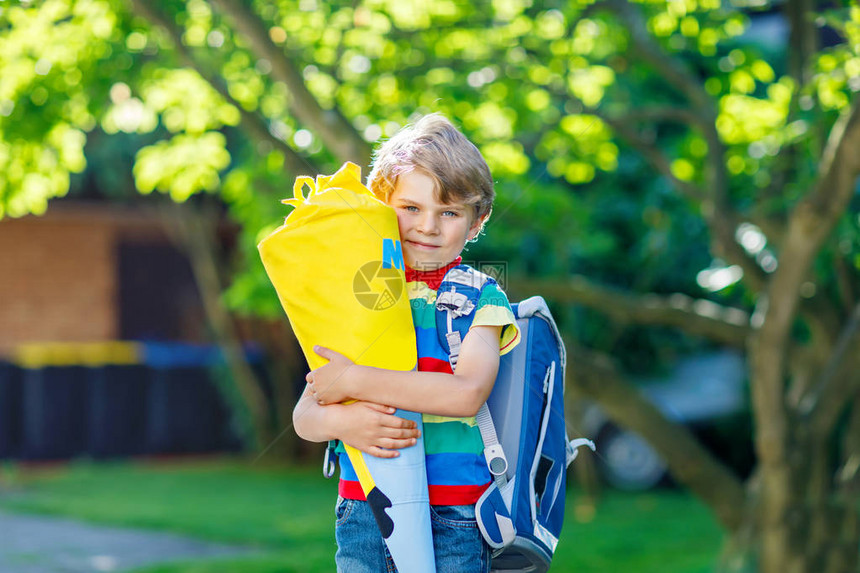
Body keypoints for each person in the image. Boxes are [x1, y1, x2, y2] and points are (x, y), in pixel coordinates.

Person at [292, 113, 521, 572]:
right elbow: (305, 417)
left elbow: (465, 394)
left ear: (477, 223)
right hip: (365, 508)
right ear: (381, 203)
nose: (428, 227)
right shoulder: (361, 294)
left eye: (449, 213)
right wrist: (345, 424)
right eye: (411, 208)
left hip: (454, 513)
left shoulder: (481, 295)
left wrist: (355, 379)